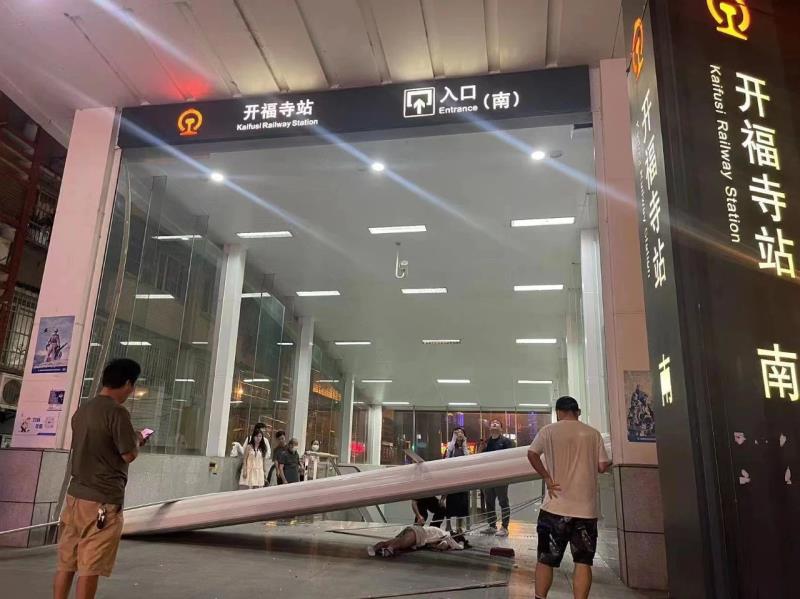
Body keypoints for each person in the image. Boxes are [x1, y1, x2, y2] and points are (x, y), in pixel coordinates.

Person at [53, 359, 147, 599]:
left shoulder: (82, 410)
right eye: (132, 386)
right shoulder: (117, 412)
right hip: (102, 502)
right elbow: (128, 454)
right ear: (128, 383)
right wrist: (138, 439)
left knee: (67, 562)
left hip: (75, 497)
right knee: (90, 567)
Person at [527, 396, 612, 599]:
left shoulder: (548, 431)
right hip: (586, 510)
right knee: (583, 562)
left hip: (554, 507)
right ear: (578, 412)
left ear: (558, 412)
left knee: (545, 559)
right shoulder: (592, 433)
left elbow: (532, 454)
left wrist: (547, 477)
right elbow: (602, 466)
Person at [481, 419, 515, 536]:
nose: (494, 423)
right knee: (489, 502)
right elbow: (480, 458)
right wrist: (482, 447)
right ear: (490, 428)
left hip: (501, 476)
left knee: (503, 501)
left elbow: (511, 458)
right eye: (492, 423)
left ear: (501, 428)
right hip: (488, 476)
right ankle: (492, 526)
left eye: (497, 423)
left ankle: (504, 527)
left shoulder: (507, 442)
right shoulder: (486, 442)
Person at [367, 525, 467, 558]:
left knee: (393, 542)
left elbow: (440, 545)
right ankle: (388, 550)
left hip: (415, 531)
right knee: (398, 544)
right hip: (418, 534)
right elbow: (451, 545)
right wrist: (461, 544)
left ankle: (374, 548)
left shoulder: (440, 534)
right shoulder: (445, 535)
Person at [443, 427, 470, 533]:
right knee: (450, 502)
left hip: (463, 477)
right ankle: (448, 525)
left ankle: (459, 526)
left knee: (462, 503)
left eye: (461, 432)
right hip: (452, 477)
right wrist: (453, 440)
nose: (459, 433)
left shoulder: (464, 446)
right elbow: (447, 458)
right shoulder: (451, 446)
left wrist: (464, 444)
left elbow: (467, 457)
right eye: (457, 432)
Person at [239, 425, 270, 489]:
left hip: (259, 470)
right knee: (247, 487)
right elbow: (244, 459)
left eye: (260, 436)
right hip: (249, 469)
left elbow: (263, 460)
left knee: (257, 488)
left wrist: (264, 471)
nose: (258, 438)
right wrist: (244, 470)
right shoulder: (249, 447)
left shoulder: (262, 448)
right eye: (256, 436)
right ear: (253, 437)